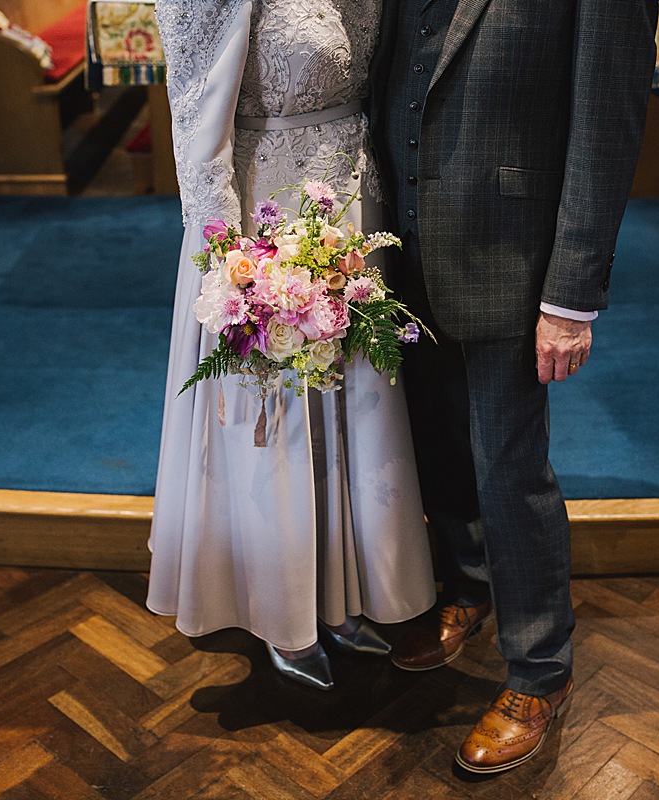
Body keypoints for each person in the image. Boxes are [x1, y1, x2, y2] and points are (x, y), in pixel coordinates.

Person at [372, 0, 658, 773]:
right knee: (433, 440)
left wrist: (570, 296)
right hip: (401, 243)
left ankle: (540, 670)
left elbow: (608, 121)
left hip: (511, 249)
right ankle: (466, 585)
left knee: (508, 466)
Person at [146, 0, 436, 692]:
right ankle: (280, 613)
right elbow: (194, 101)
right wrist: (224, 254)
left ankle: (341, 596)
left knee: (354, 407)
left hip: (354, 204)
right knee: (274, 412)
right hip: (266, 206)